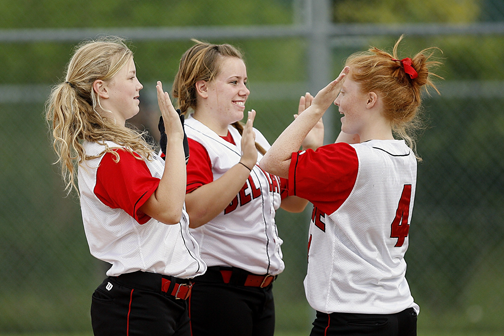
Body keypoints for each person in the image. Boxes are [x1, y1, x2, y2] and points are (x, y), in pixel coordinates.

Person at [260, 36, 441, 336]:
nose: (338, 102)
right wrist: (319, 144)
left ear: (371, 100)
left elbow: (272, 162)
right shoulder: (403, 154)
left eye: (343, 93)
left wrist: (314, 110)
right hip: (398, 311)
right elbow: (344, 175)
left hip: (353, 319)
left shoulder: (351, 161)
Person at [45, 36, 206, 336]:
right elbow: (170, 210)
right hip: (139, 303)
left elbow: (170, 202)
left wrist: (173, 150)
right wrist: (173, 138)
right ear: (101, 88)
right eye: (131, 76)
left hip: (164, 302)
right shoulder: (110, 156)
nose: (139, 85)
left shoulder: (123, 151)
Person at [165, 40, 315, 336]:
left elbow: (294, 202)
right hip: (215, 291)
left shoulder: (251, 135)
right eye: (233, 82)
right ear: (203, 88)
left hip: (261, 293)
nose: (244, 90)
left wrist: (309, 150)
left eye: (244, 82)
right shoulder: (189, 139)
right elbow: (191, 211)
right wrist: (245, 164)